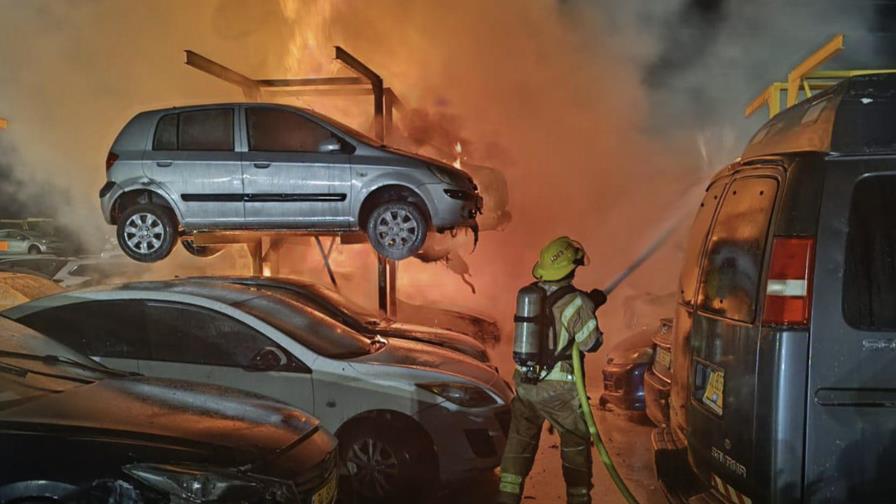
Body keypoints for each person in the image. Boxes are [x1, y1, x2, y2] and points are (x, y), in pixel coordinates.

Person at [497, 236, 604, 504]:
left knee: (518, 446)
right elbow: (591, 344)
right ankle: (578, 498)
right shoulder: (576, 302)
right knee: (576, 445)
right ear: (571, 269)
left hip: (525, 385)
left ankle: (506, 498)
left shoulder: (530, 296)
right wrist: (590, 307)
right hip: (559, 393)